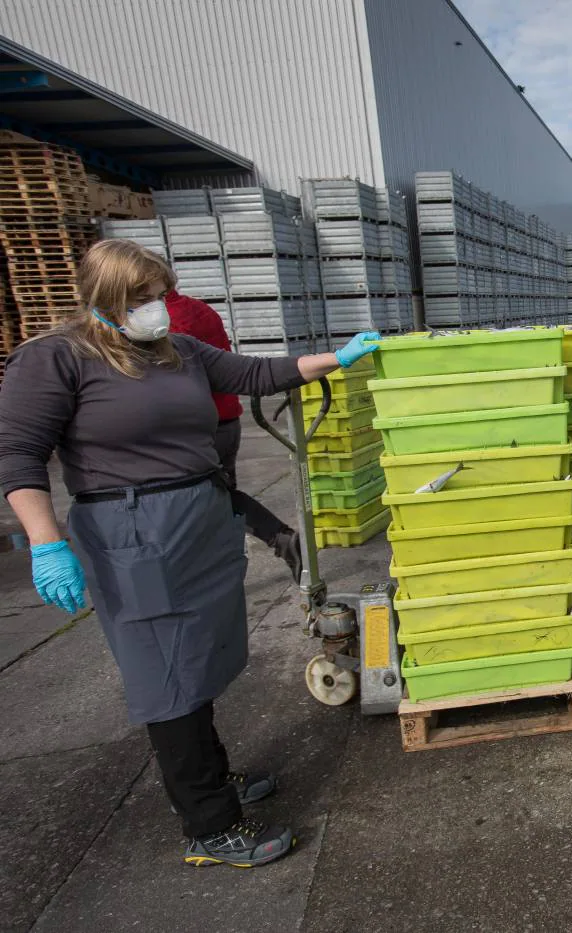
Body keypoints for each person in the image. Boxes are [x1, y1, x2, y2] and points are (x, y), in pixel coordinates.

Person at [0, 239, 381, 868]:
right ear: (106, 298)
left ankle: (213, 777)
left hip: (198, 521)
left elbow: (256, 374)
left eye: (159, 295)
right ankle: (209, 827)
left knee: (200, 658)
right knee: (166, 675)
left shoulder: (173, 350)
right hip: (131, 531)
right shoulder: (54, 359)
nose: (157, 308)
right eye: (142, 298)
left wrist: (336, 359)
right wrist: (46, 542)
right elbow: (18, 457)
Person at [165, 288, 302, 579]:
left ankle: (267, 544)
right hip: (225, 419)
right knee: (222, 497)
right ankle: (263, 546)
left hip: (198, 427)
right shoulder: (199, 309)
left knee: (205, 501)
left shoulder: (170, 322)